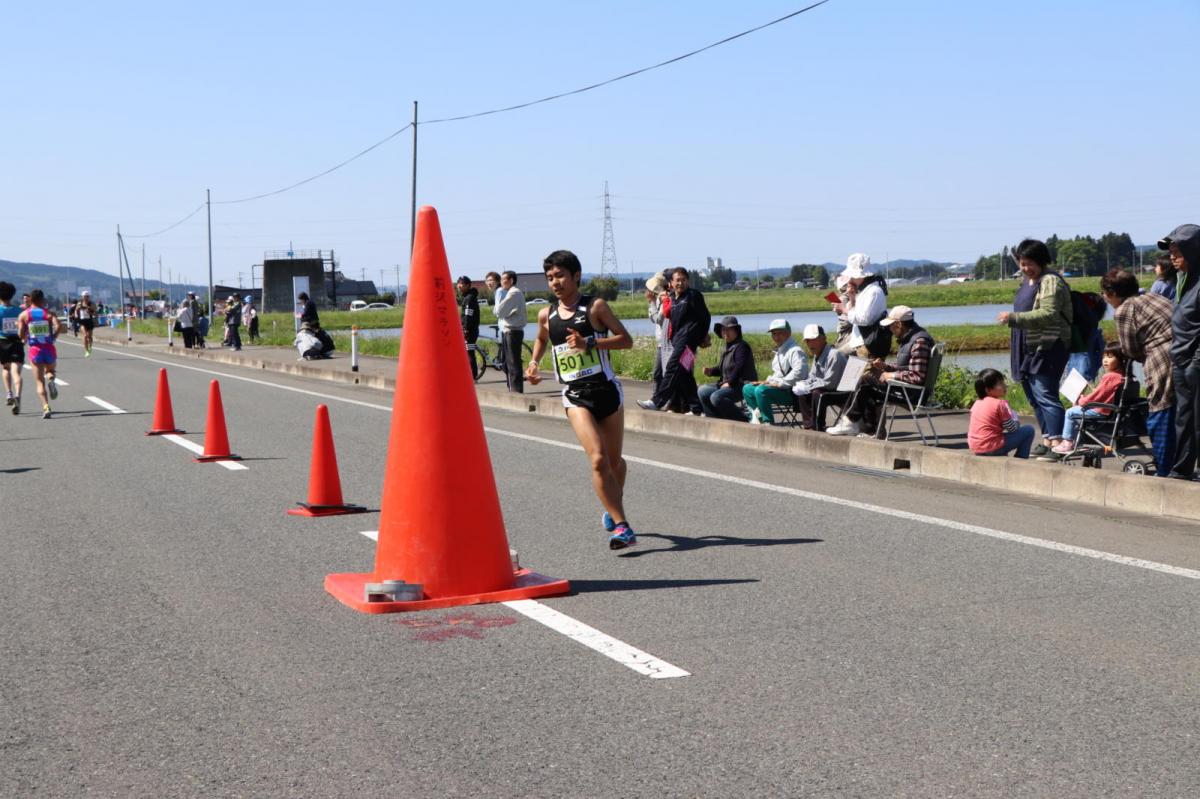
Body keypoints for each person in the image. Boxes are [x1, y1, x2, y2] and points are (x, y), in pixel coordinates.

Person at [524, 250, 637, 550]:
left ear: (576, 276)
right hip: (575, 395)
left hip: (607, 391)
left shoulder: (595, 308)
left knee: (614, 464)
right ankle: (622, 527)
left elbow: (626, 340)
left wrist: (591, 342)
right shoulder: (545, 315)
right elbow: (541, 338)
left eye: (560, 276)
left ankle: (612, 505)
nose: (555, 282)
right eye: (550, 278)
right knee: (598, 459)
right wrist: (534, 363)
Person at [997, 238, 1072, 460]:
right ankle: (1047, 439)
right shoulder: (1028, 281)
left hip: (1047, 345)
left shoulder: (1050, 281)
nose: (1025, 268)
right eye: (1022, 263)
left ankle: (1058, 443)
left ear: (1041, 262)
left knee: (1046, 394)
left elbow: (1049, 313)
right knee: (1034, 397)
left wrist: (1013, 318)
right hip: (1026, 345)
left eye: (1030, 263)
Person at [1102, 267, 1175, 476]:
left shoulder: (1124, 310)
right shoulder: (1155, 297)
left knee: (1161, 413)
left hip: (1163, 360)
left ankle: (1164, 469)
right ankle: (1181, 466)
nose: (1105, 298)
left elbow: (1129, 349)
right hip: (1188, 355)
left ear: (1113, 294)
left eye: (1105, 294)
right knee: (1185, 415)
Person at [828, 305, 932, 437]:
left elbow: (917, 377)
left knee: (865, 382)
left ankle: (850, 422)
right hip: (907, 389)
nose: (889, 329)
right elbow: (906, 367)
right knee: (867, 384)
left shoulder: (919, 342)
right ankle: (870, 430)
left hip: (912, 394)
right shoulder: (911, 339)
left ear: (899, 324)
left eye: (891, 325)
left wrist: (891, 375)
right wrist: (885, 366)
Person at [639, 267, 710, 414]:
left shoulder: (693, 296)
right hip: (677, 341)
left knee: (671, 368)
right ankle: (696, 408)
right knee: (684, 374)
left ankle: (657, 401)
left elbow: (705, 317)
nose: (681, 283)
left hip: (688, 342)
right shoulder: (673, 299)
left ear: (688, 281)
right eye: (677, 280)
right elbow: (665, 318)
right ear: (671, 282)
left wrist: (701, 336)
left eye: (684, 280)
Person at [1160, 224, 1200, 479]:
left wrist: (1196, 362)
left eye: (1178, 252)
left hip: (1195, 362)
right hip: (1180, 360)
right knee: (1184, 419)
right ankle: (1182, 468)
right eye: (1171, 252)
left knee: (1199, 421)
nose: (1172, 258)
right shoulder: (1183, 282)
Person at [1053, 344, 1127, 456]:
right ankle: (1076, 441)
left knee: (1070, 412)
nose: (1105, 360)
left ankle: (1067, 442)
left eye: (1110, 357)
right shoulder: (1121, 375)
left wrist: (1082, 401)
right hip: (1108, 409)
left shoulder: (1110, 376)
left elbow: (1097, 397)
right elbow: (1102, 393)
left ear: (1120, 359)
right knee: (1076, 411)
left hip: (1101, 410)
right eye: (1104, 357)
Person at [741, 319, 807, 425]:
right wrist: (766, 381)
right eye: (774, 333)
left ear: (788, 333)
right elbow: (777, 375)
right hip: (780, 390)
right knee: (747, 388)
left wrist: (779, 383)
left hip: (792, 393)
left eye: (780, 333)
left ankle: (768, 423)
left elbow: (799, 373)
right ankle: (758, 418)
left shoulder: (795, 351)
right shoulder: (779, 351)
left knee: (761, 391)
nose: (777, 337)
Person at [698, 315, 757, 420]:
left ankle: (742, 420)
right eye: (723, 330)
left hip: (742, 385)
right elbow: (723, 369)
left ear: (736, 331)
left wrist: (729, 382)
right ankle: (714, 419)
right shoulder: (726, 347)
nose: (726, 333)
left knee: (716, 397)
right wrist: (711, 371)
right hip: (727, 384)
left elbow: (739, 367)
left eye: (729, 330)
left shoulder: (742, 346)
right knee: (702, 391)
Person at [968, 368, 1036, 459]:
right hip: (991, 448)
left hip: (976, 448)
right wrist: (1015, 419)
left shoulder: (976, 403)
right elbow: (1012, 429)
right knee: (1029, 430)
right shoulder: (999, 404)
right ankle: (1021, 459)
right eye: (1000, 384)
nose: (1005, 386)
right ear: (988, 390)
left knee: (999, 436)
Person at [833, 254, 891, 358]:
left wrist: (843, 309)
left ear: (860, 275)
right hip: (860, 343)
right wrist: (852, 297)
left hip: (868, 346)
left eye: (852, 275)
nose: (850, 278)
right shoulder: (865, 290)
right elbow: (855, 316)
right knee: (837, 357)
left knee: (839, 359)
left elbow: (864, 319)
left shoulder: (873, 292)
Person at [792, 324, 848, 430]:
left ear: (823, 339)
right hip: (828, 389)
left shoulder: (834, 355)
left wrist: (809, 386)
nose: (810, 344)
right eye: (808, 341)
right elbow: (812, 377)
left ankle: (818, 426)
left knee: (817, 392)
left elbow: (830, 383)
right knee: (802, 393)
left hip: (842, 392)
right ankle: (809, 426)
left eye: (814, 339)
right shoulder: (817, 355)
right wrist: (803, 385)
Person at [17, 289, 62, 419]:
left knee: (39, 382)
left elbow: (20, 332)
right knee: (50, 371)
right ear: (43, 299)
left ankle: (46, 407)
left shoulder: (24, 315)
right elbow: (58, 325)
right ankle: (52, 380)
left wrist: (23, 336)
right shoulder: (48, 314)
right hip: (49, 348)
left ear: (30, 299)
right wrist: (53, 336)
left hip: (35, 350)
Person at [493, 270, 526, 393]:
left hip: (513, 331)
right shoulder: (512, 293)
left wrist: (498, 301)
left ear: (511, 280)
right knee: (510, 362)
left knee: (513, 362)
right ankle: (514, 389)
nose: (501, 282)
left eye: (503, 279)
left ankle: (516, 391)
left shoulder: (513, 293)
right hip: (511, 330)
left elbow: (498, 312)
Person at [0, 281, 24, 414]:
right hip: (17, 342)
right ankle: (18, 396)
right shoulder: (19, 311)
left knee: (5, 368)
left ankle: (9, 393)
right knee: (16, 372)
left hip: (2, 342)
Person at [645, 272, 669, 395]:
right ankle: (658, 399)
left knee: (660, 373)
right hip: (662, 342)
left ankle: (659, 399)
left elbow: (658, 320)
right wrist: (653, 303)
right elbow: (653, 318)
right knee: (659, 373)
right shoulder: (660, 298)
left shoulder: (665, 299)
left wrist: (652, 303)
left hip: (666, 343)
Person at [457, 276, 481, 375]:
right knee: (469, 352)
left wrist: (466, 329)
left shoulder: (469, 298)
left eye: (461, 284)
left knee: (470, 353)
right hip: (470, 329)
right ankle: (471, 375)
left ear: (467, 285)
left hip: (470, 331)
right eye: (458, 283)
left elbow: (468, 315)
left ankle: (472, 375)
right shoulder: (468, 297)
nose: (459, 286)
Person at [74, 290, 97, 356]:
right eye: (84, 296)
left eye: (87, 296)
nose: (86, 298)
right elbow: (76, 310)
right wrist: (76, 315)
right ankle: (86, 351)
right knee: (85, 335)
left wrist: (90, 311)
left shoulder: (92, 304)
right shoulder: (79, 303)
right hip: (82, 321)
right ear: (82, 297)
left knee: (89, 336)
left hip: (89, 321)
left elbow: (95, 313)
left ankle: (90, 347)